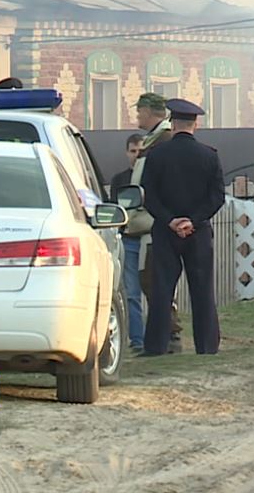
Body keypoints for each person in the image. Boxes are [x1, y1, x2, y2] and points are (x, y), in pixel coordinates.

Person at [139, 99, 226, 355]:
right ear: (195, 124)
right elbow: (217, 196)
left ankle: (156, 346)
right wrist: (193, 220)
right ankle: (207, 345)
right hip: (197, 232)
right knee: (202, 289)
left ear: (172, 123)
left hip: (166, 232)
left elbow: (149, 195)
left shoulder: (156, 155)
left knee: (162, 288)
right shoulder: (209, 155)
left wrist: (170, 220)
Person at [126, 93, 183, 353]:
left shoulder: (162, 141)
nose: (137, 117)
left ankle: (169, 337)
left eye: (139, 111)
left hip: (154, 221)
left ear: (149, 111)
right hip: (148, 220)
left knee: (156, 281)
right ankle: (162, 338)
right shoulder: (154, 140)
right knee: (151, 280)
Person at [110, 133, 146, 352]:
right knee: (131, 292)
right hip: (129, 238)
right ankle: (137, 339)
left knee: (156, 291)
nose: (136, 155)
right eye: (133, 151)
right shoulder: (119, 180)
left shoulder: (151, 176)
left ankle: (158, 336)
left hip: (150, 237)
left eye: (140, 151)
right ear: (127, 152)